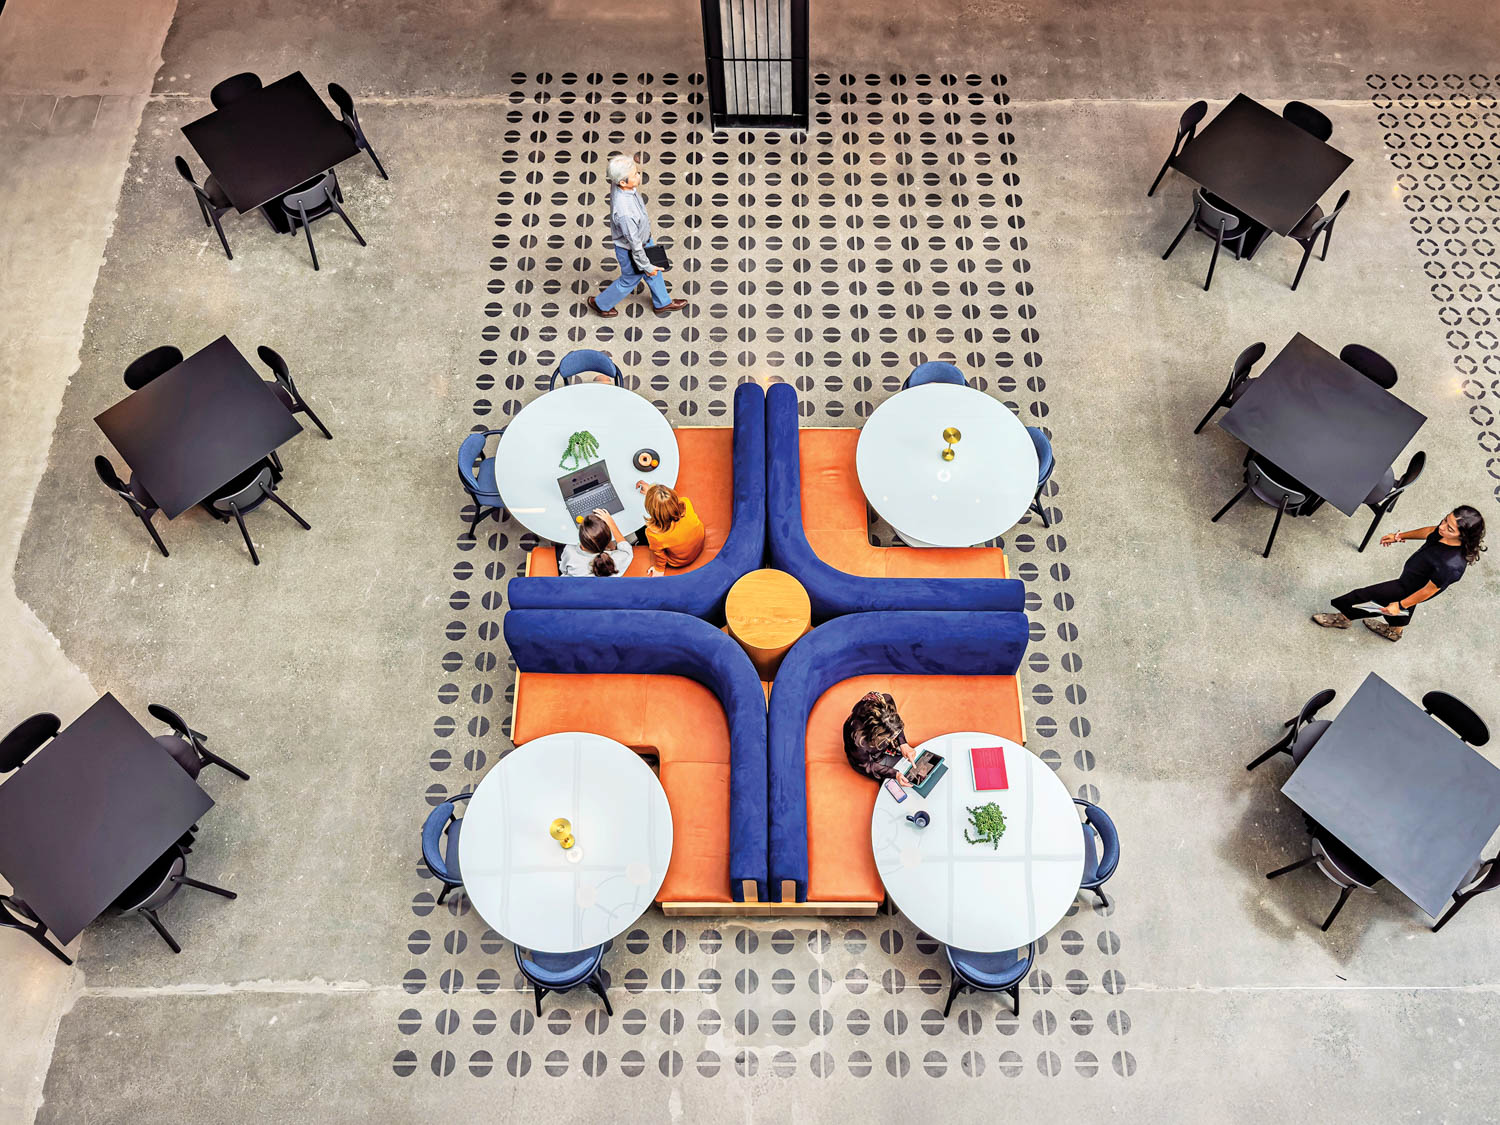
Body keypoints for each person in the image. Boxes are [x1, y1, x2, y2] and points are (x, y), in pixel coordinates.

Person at [1312, 506, 1486, 641]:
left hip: (1410, 587)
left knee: (1364, 597)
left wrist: (1401, 605)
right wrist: (1399, 536)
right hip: (1410, 577)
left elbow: (1427, 591)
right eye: (1445, 520)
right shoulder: (1443, 532)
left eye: (1450, 529)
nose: (1442, 527)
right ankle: (1395, 631)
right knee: (1397, 607)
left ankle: (1344, 617)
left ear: (1464, 537)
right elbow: (1429, 531)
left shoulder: (1451, 566)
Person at [588, 153, 687, 319]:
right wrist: (646, 265)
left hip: (643, 241)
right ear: (622, 182)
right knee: (631, 279)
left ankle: (662, 303)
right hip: (632, 249)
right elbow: (634, 244)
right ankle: (600, 304)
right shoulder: (625, 213)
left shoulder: (620, 186)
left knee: (656, 271)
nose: (639, 175)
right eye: (634, 174)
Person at [843, 691, 917, 784]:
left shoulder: (886, 702)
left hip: (881, 748)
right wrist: (894, 774)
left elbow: (893, 724)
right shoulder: (858, 740)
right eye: (889, 737)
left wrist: (903, 743)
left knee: (913, 763)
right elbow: (867, 766)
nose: (893, 739)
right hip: (868, 761)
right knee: (904, 778)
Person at [637, 481, 705, 569]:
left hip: (680, 561)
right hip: (699, 542)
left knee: (640, 531)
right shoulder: (686, 502)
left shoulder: (653, 533)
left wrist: (659, 569)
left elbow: (659, 555)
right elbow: (667, 503)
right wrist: (651, 492)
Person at [558, 508, 634, 577]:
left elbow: (563, 569)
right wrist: (611, 523)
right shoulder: (617, 559)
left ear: (582, 542)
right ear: (608, 541)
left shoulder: (570, 551)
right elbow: (627, 549)